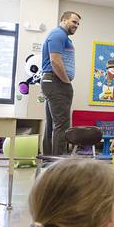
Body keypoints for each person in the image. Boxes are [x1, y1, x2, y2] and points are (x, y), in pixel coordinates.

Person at [41, 11, 80, 156]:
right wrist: (65, 81)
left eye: (78, 24)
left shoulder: (61, 36)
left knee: (52, 125)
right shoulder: (58, 34)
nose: (76, 25)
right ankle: (58, 165)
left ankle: (49, 161)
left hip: (52, 82)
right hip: (56, 82)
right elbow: (55, 60)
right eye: (74, 21)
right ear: (63, 20)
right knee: (61, 126)